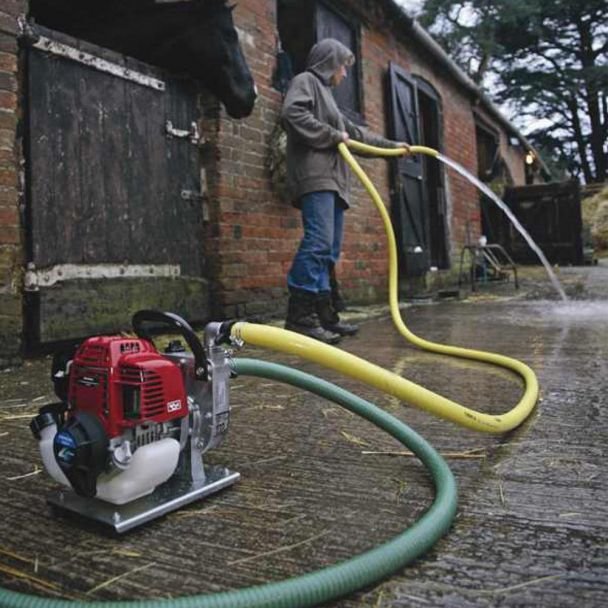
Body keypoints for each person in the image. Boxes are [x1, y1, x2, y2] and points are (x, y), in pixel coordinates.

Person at [281, 38, 410, 343]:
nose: (345, 73)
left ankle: (325, 315)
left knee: (329, 250)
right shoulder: (306, 81)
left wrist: (393, 147)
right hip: (317, 177)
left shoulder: (329, 100)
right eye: (343, 66)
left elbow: (357, 136)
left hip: (335, 183)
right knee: (318, 243)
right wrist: (332, 135)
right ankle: (299, 317)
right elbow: (292, 114)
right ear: (330, 63)